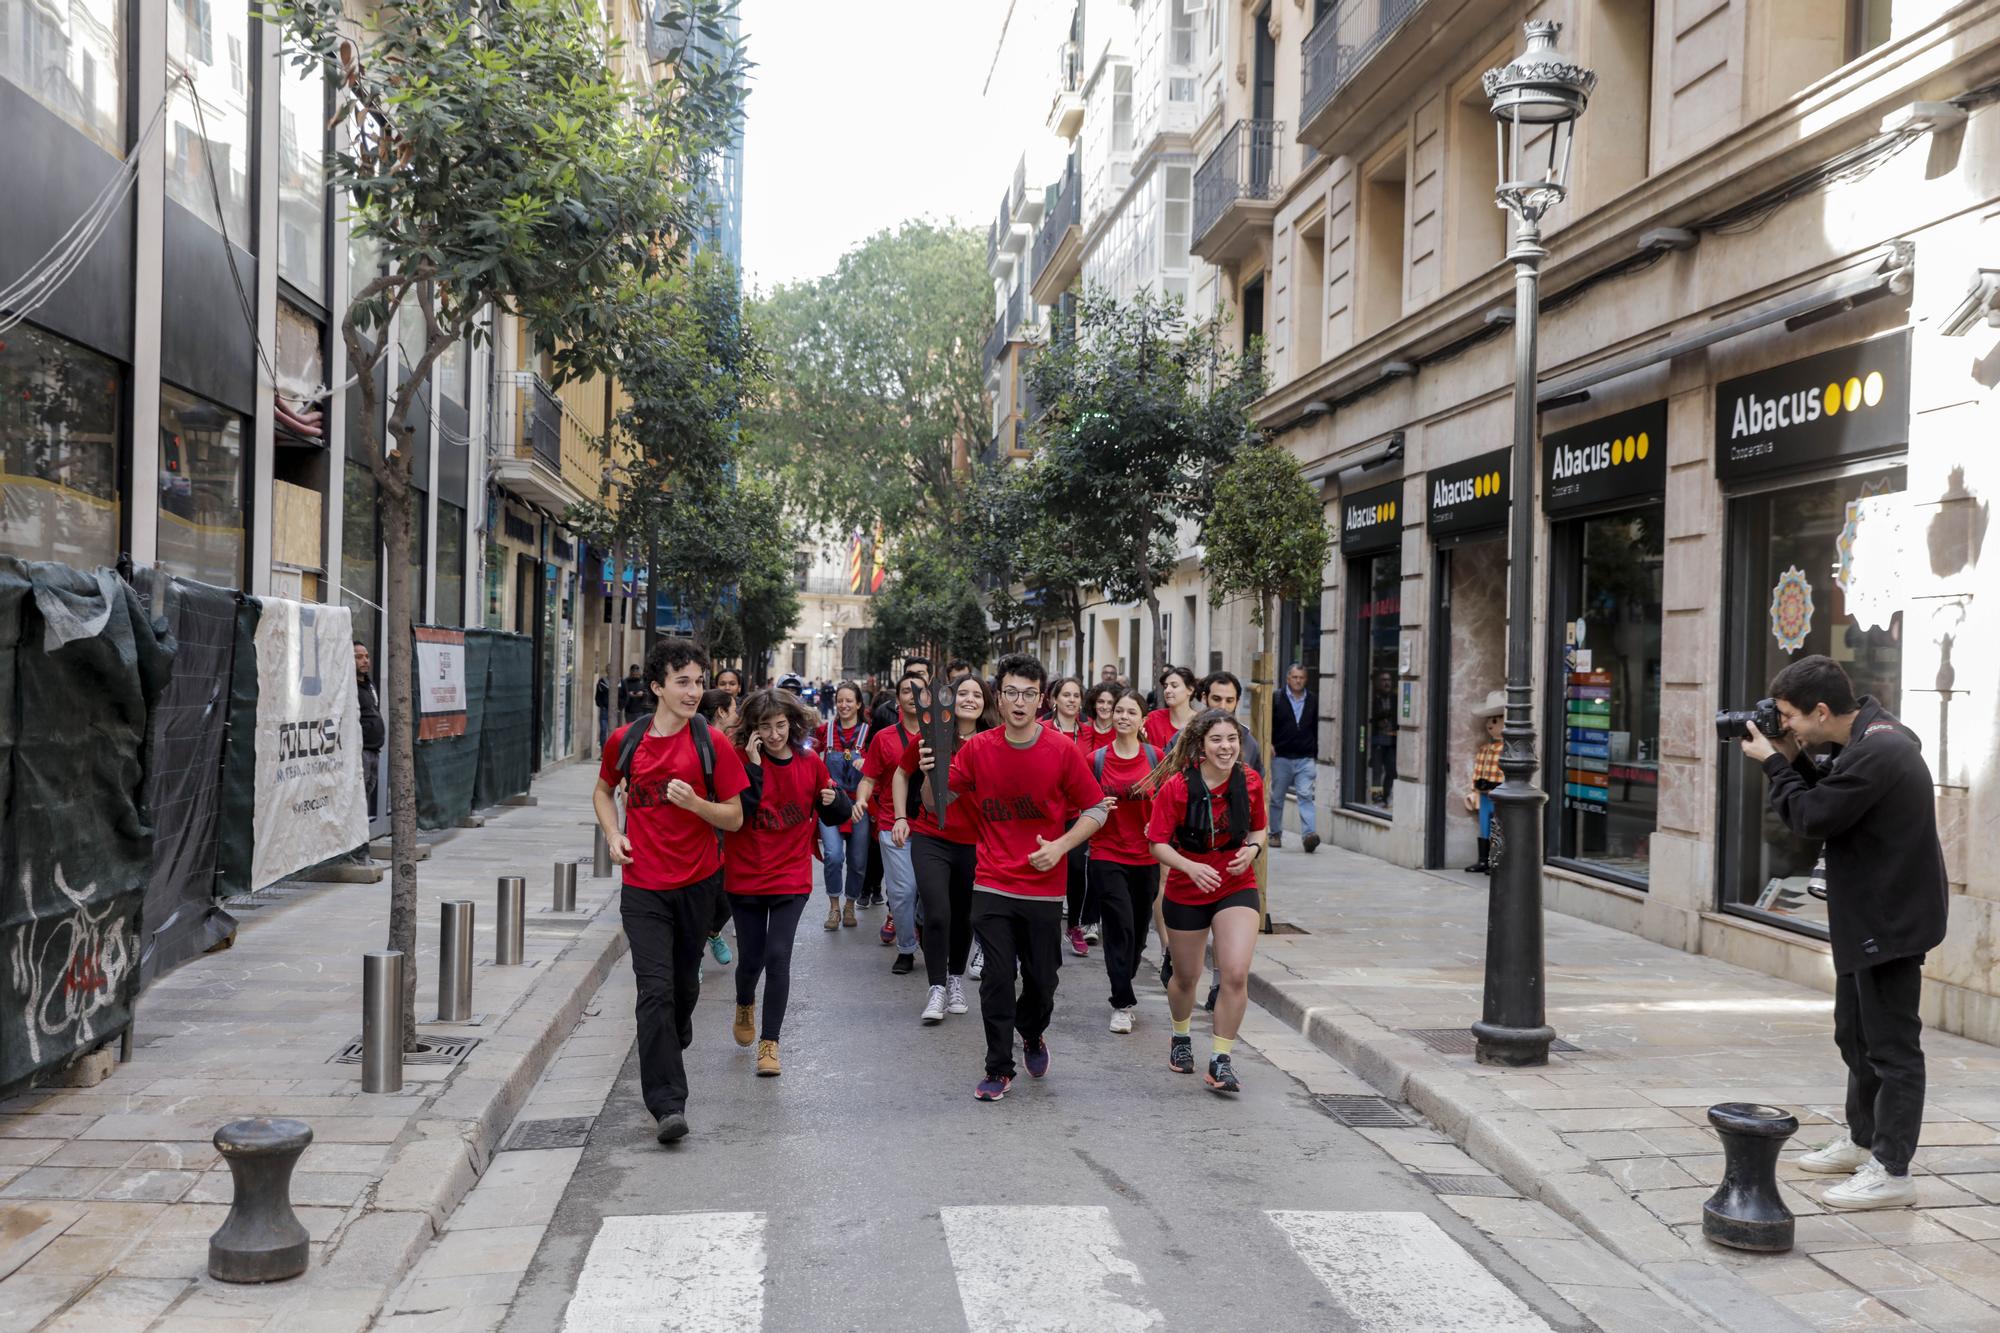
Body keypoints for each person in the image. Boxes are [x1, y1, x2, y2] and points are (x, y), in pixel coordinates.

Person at [1739, 655, 1947, 1210]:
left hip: (1891, 919)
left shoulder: (1882, 749)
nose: (1786, 726)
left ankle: (1892, 1169)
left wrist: (1774, 765)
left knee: (1893, 1048)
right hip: (1867, 915)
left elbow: (1812, 818)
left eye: (1789, 717)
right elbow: (1836, 801)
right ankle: (1862, 1142)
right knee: (1854, 1036)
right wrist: (1792, 760)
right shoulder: (1866, 741)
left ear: (1823, 710)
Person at [921, 653, 1107, 1103]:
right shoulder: (979, 749)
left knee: (1043, 981)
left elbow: (1096, 808)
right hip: (993, 882)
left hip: (1044, 888)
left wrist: (1060, 847)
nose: (1019, 701)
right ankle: (998, 1067)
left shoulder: (1061, 751)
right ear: (998, 698)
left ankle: (1033, 1030)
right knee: (998, 978)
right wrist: (932, 770)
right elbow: (934, 803)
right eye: (1010, 693)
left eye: (1028, 693)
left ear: (1040, 700)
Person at [594, 638, 749, 1145]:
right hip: (643, 888)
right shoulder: (627, 740)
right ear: (657, 686)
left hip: (698, 885)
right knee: (653, 991)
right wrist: (614, 834)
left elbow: (735, 814)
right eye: (683, 681)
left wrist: (697, 805)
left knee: (683, 991)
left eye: (699, 682)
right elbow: (602, 789)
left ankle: (676, 1029)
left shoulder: (712, 743)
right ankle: (667, 1104)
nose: (694, 691)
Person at [724, 689, 851, 1077]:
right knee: (751, 960)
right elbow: (738, 813)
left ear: (792, 724)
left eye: (780, 725)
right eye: (766, 726)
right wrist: (753, 764)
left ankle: (770, 1044)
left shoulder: (810, 762)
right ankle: (744, 1002)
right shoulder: (738, 761)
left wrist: (834, 799)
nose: (775, 734)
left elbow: (836, 817)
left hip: (790, 877)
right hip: (745, 876)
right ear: (753, 729)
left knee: (778, 956)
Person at [1146, 708, 1267, 1095]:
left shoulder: (1249, 781)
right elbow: (1157, 843)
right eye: (1216, 739)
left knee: (1234, 972)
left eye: (1232, 739)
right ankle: (1181, 1036)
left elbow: (1261, 827)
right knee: (1186, 976)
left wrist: (1251, 849)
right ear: (1201, 745)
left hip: (1236, 883)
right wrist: (1190, 867)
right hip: (1187, 887)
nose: (1226, 747)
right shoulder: (1178, 787)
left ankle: (1221, 1059)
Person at [893, 674, 995, 1025]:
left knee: (964, 915)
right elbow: (901, 773)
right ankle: (936, 987)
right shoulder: (931, 737)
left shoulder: (994, 741)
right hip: (931, 836)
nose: (969, 699)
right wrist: (900, 816)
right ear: (949, 701)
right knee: (937, 913)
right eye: (961, 693)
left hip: (975, 842)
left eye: (976, 694)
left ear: (986, 702)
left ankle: (955, 979)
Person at [1090, 690, 1160, 1034]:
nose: (1123, 716)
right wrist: (1096, 806)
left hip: (1146, 857)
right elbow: (1080, 804)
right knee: (1119, 926)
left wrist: (1158, 825)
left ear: (1142, 720)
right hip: (1106, 853)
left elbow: (1169, 803)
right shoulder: (1096, 759)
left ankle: (1124, 981)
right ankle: (1121, 1002)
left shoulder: (1156, 757)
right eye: (1119, 710)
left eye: (1131, 712)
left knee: (1138, 931)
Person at [857, 673, 925, 974]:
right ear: (898, 700)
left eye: (920, 691)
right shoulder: (884, 738)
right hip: (892, 824)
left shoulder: (941, 734)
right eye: (907, 691)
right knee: (903, 890)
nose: (913, 696)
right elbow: (868, 778)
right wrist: (861, 801)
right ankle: (907, 949)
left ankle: (927, 936)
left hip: (933, 826)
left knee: (929, 892)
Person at [812, 682, 872, 930]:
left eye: (849, 701)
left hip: (859, 805)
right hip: (830, 804)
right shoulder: (824, 731)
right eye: (840, 700)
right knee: (833, 856)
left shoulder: (870, 733)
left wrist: (866, 764)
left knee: (858, 861)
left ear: (859, 704)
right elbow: (810, 762)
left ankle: (850, 904)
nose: (844, 705)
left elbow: (879, 768)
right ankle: (834, 906)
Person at [695, 691, 741, 970]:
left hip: (727, 822)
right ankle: (694, 955)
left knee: (727, 895)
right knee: (704, 893)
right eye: (733, 708)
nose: (736, 714)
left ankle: (712, 933)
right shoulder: (704, 740)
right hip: (704, 824)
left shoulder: (733, 739)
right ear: (722, 712)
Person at [1270, 663, 1320, 853]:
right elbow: (1270, 724)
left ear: (1306, 680)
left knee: (1306, 795)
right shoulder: (1277, 698)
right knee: (1277, 797)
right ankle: (1275, 833)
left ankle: (1309, 835)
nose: (1298, 681)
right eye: (1295, 677)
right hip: (1281, 756)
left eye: (1301, 677)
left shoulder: (1313, 700)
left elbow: (1316, 726)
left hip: (1305, 757)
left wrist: (1315, 752)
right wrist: (1270, 744)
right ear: (1288, 678)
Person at [1461, 692, 1504, 873]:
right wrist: (1475, 790)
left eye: (1494, 721)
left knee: (1498, 826)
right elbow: (1478, 769)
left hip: (1499, 794)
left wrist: (1496, 785)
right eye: (1488, 721)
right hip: (1484, 794)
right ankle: (1483, 860)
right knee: (1484, 826)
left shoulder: (1506, 749)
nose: (1489, 725)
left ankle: (1496, 861)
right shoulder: (1485, 749)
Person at [350, 641, 384, 863]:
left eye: (366, 656)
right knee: (358, 802)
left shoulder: (369, 686)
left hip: (374, 752)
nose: (365, 661)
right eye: (358, 657)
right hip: (360, 753)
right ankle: (356, 851)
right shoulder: (350, 687)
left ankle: (363, 847)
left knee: (366, 799)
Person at [1143, 665, 1200, 751]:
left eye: (1174, 686)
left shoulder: (1201, 721)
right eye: (1165, 686)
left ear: (1190, 690)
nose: (1167, 690)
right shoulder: (1152, 719)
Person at [872, 657, 930, 731]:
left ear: (930, 678)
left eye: (920, 674)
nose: (915, 679)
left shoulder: (942, 712)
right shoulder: (884, 712)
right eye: (910, 674)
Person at [1080, 682, 1119, 751]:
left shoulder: (1120, 730)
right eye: (1101, 701)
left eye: (1110, 703)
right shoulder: (1082, 729)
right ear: (1094, 704)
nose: (1105, 707)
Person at [594, 666, 612, 752]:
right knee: (603, 731)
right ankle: (603, 751)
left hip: (615, 711)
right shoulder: (602, 682)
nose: (610, 671)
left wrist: (620, 706)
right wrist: (601, 705)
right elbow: (598, 696)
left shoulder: (620, 682)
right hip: (604, 710)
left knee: (614, 732)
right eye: (608, 669)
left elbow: (624, 696)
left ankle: (613, 752)